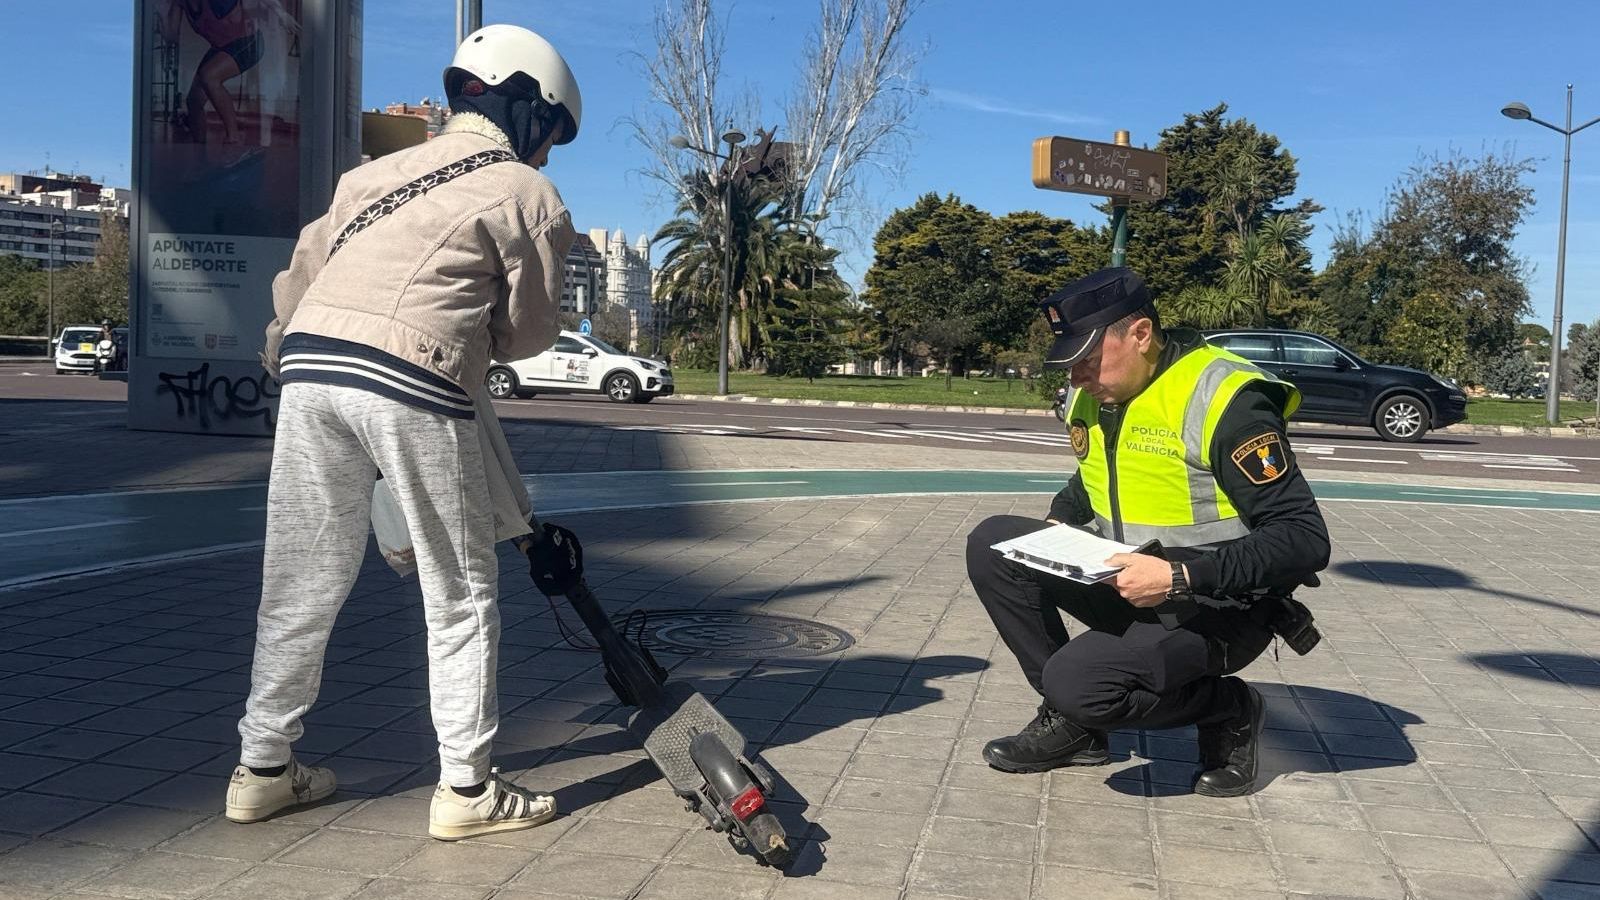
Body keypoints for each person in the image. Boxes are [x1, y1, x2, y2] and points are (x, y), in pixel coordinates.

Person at [227, 24, 582, 841]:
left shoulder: (370, 177)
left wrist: (301, 353)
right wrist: (470, 334)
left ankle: (264, 770)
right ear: (527, 106)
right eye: (551, 134)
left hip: (311, 368)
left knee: (299, 582)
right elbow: (530, 333)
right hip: (413, 375)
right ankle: (467, 791)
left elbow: (300, 277)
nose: (549, 155)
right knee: (458, 591)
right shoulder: (526, 195)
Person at [965, 267, 1329, 797]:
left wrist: (1181, 575)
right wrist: (1058, 525)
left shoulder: (1226, 398)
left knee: (1078, 683)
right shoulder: (1100, 394)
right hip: (1133, 582)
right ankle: (1076, 726)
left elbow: (1304, 538)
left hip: (1219, 606)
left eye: (1087, 360)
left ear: (1140, 334)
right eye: (1069, 365)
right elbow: (1092, 479)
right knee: (994, 542)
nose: (1077, 379)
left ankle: (1228, 709)